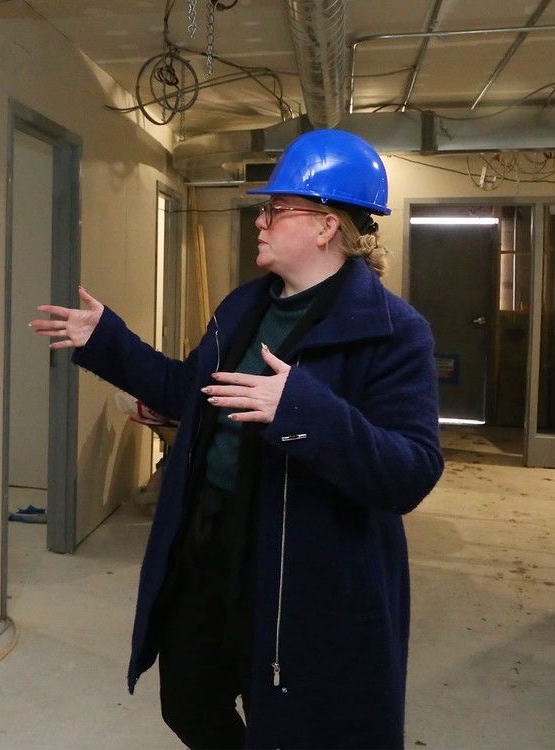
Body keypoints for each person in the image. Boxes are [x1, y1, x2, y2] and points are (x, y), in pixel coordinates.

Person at [30, 129, 444, 749]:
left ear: (326, 225)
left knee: (296, 726)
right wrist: (107, 342)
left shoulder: (392, 333)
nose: (261, 220)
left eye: (277, 208)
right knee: (187, 700)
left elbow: (411, 471)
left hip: (303, 567)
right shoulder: (243, 307)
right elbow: (193, 396)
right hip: (211, 542)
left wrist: (303, 407)